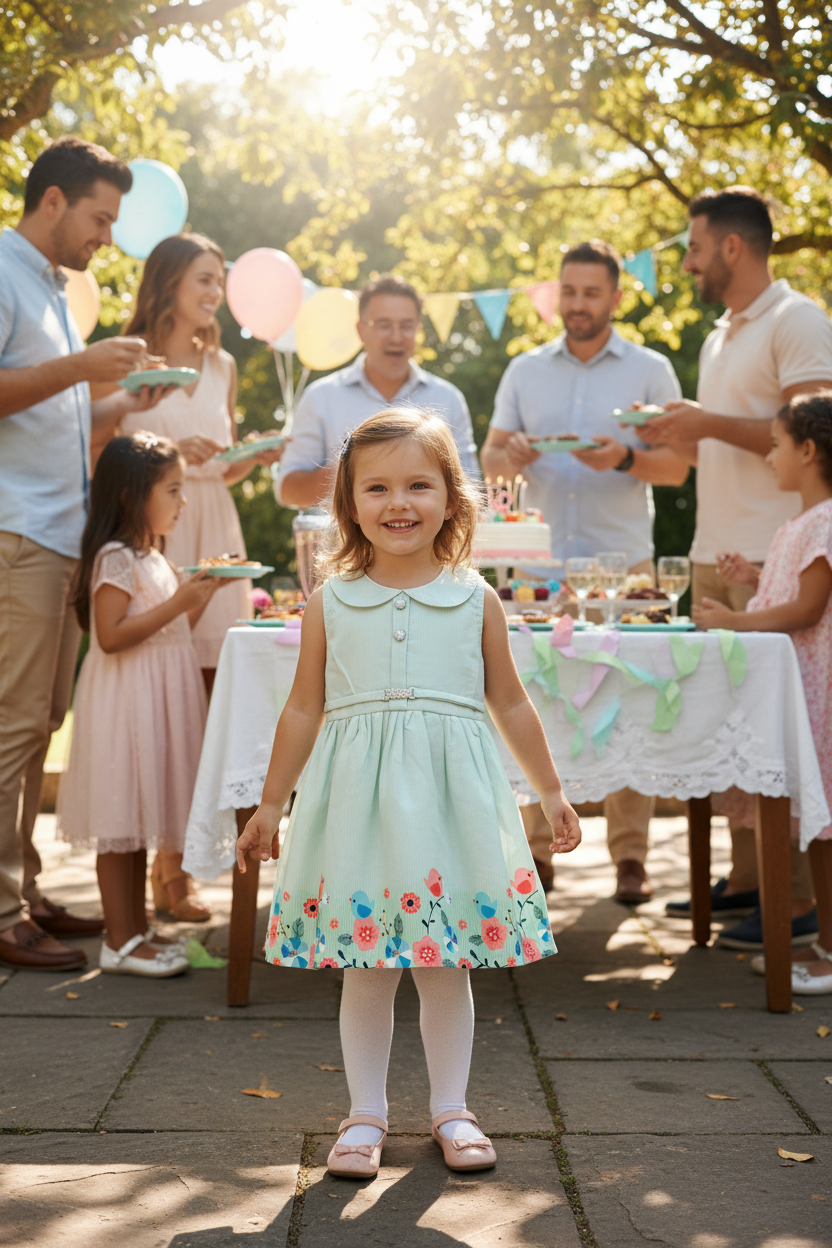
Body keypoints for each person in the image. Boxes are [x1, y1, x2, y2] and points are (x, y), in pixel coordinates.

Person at [236, 409, 581, 1179]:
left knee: (443, 961)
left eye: (419, 484)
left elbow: (514, 703)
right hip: (357, 805)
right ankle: (364, 1114)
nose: (400, 502)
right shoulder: (330, 600)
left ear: (452, 498)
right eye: (379, 486)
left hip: (448, 808)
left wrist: (550, 792)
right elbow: (302, 707)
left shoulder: (474, 599)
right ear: (350, 504)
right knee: (368, 965)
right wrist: (269, 803)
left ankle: (452, 1108)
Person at [0, 137, 175, 971]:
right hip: (16, 531)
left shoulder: (52, 292)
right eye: (100, 217)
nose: (106, 236)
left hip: (58, 532)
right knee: (11, 725)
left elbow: (59, 418)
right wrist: (81, 368)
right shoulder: (2, 272)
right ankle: (1, 913)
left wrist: (120, 400)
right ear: (56, 200)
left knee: (38, 723)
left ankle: (21, 889)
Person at [642, 188, 832, 947]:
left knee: (774, 733)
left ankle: (795, 903)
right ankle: (748, 880)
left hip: (779, 550)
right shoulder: (719, 336)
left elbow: (816, 430)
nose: (686, 263)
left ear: (730, 247)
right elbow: (712, 447)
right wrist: (667, 436)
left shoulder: (798, 320)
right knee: (726, 733)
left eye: (693, 247)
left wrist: (708, 422)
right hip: (718, 550)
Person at [481, 240, 688, 901]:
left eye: (590, 293)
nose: (577, 304)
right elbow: (489, 459)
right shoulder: (523, 369)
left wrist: (624, 459)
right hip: (535, 568)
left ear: (615, 298)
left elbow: (677, 467)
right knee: (528, 700)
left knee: (625, 701)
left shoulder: (652, 370)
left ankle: (630, 857)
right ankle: (535, 853)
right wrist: (508, 453)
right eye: (568, 291)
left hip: (622, 565)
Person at [56, 433, 223, 976]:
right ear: (132, 496)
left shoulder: (154, 555)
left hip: (154, 698)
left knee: (138, 825)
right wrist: (180, 599)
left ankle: (136, 932)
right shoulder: (115, 557)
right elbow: (109, 635)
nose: (184, 501)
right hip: (126, 702)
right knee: (119, 823)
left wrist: (200, 595)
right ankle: (119, 939)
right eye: (173, 489)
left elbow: (171, 627)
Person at [693, 394, 832, 993]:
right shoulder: (803, 522)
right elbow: (792, 586)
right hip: (797, 690)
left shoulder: (825, 519)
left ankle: (828, 947)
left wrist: (732, 619)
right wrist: (753, 581)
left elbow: (808, 607)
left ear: (807, 449)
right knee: (817, 825)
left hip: (818, 693)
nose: (770, 457)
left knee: (824, 828)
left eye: (776, 446)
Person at [275, 274, 479, 509]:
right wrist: (351, 470)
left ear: (418, 330)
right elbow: (288, 491)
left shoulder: (448, 398)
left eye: (406, 326)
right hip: (343, 544)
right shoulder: (320, 397)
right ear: (361, 331)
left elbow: (469, 489)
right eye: (384, 325)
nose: (396, 337)